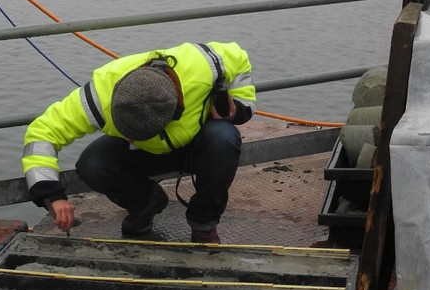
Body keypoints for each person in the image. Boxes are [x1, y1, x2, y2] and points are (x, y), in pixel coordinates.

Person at [21, 41, 255, 244]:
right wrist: (52, 195)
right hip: (142, 154)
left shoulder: (205, 64)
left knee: (223, 136)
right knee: (93, 164)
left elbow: (240, 58)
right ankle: (146, 203)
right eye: (127, 131)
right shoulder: (99, 95)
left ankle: (203, 224)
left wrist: (239, 108)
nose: (131, 136)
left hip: (197, 145)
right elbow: (41, 134)